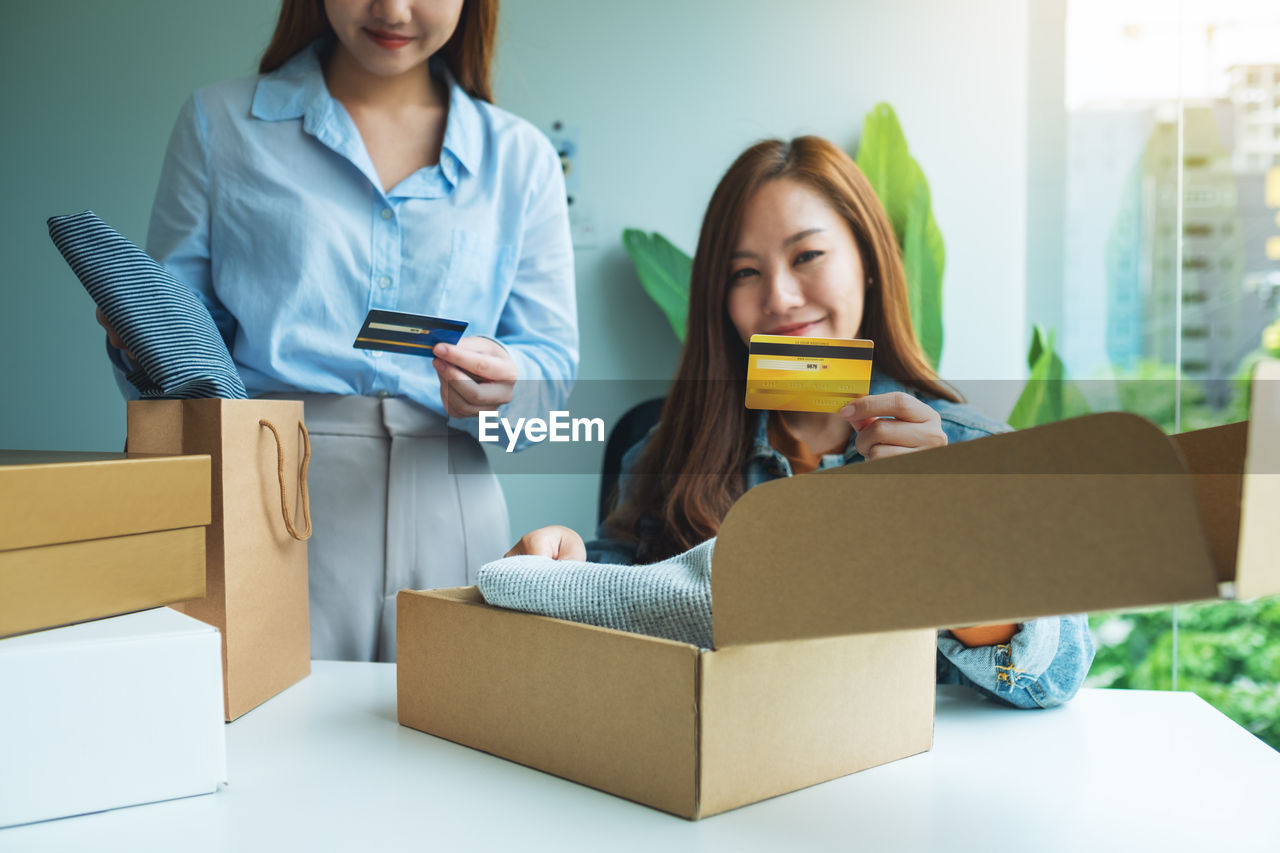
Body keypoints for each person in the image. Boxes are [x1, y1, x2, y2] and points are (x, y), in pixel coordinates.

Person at [505, 136, 1092, 709]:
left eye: (807, 256)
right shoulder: (667, 452)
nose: (780, 298)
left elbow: (1058, 672)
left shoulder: (972, 450)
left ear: (867, 264)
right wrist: (559, 572)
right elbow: (611, 606)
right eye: (743, 273)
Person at [99, 0, 577, 662]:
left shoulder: (522, 159)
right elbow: (182, 360)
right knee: (263, 746)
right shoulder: (219, 124)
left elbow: (553, 380)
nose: (392, 9)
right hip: (264, 501)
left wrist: (509, 388)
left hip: (453, 511)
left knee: (447, 753)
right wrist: (141, 340)